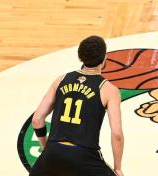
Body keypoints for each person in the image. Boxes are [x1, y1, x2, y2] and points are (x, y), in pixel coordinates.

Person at [29, 35, 124, 176]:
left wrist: (47, 149)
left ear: (80, 56)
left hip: (53, 152)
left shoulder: (61, 80)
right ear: (104, 59)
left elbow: (37, 119)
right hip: (85, 156)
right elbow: (116, 134)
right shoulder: (109, 90)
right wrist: (117, 168)